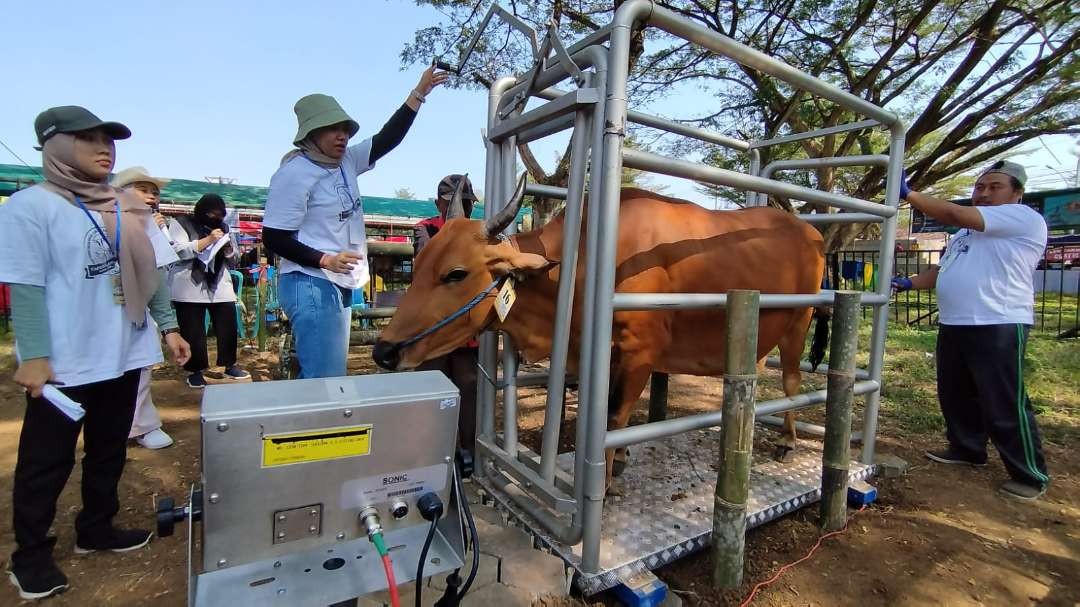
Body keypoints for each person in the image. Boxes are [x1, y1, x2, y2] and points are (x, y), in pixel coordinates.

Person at [0, 106, 191, 600]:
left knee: (108, 449)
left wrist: (169, 329)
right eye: (87, 138)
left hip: (124, 351)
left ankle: (96, 528)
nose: (104, 148)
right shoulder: (29, 207)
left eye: (108, 139)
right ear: (54, 145)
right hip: (66, 359)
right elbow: (24, 286)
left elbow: (151, 278)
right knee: (47, 461)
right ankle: (30, 556)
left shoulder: (125, 207)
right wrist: (35, 356)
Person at [263, 65, 447, 378]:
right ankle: (317, 425)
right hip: (311, 280)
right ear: (310, 134)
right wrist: (324, 259)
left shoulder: (346, 160)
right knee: (324, 379)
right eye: (332, 129)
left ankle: (320, 421)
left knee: (327, 373)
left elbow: (387, 139)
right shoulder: (294, 174)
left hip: (339, 280)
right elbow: (274, 237)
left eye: (346, 129)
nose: (343, 136)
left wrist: (419, 93)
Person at [893, 160, 1050, 501]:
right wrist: (907, 282)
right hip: (956, 321)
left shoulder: (1022, 218)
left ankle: (1029, 475)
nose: (985, 193)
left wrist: (909, 195)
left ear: (1016, 194)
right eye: (980, 187)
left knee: (1003, 399)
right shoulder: (966, 234)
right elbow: (943, 270)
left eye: (995, 187)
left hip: (998, 320)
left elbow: (953, 213)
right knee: (956, 392)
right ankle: (967, 449)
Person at [414, 174, 480, 458]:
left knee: (469, 391)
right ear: (439, 203)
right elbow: (426, 264)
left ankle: (470, 454)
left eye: (467, 203)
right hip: (432, 331)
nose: (464, 209)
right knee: (432, 391)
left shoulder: (480, 231)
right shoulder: (425, 229)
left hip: (467, 332)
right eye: (456, 202)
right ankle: (431, 453)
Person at [111, 166, 176, 449]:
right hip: (97, 312)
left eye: (154, 192)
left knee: (138, 369)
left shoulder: (150, 227)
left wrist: (169, 326)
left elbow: (157, 275)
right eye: (142, 189)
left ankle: (142, 426)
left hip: (137, 313)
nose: (150, 197)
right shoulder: (93, 218)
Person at [167, 193, 249, 388]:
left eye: (219, 214)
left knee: (228, 325)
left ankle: (229, 364)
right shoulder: (181, 223)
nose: (215, 218)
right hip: (189, 283)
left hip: (219, 282)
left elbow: (234, 258)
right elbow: (176, 250)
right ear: (201, 210)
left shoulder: (224, 227)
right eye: (211, 214)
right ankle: (195, 371)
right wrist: (207, 241)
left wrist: (229, 249)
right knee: (192, 330)